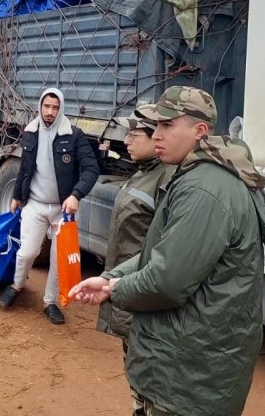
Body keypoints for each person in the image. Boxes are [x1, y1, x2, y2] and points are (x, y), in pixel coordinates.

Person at [70, 86, 265, 416]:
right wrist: (113, 278)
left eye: (167, 126)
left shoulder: (205, 189)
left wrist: (117, 289)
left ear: (199, 131)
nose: (157, 135)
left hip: (188, 378)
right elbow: (162, 252)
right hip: (185, 367)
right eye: (156, 126)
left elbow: (166, 281)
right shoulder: (198, 176)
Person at [94, 109, 177, 413]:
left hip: (143, 292)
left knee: (147, 366)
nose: (126, 140)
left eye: (133, 134)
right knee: (133, 361)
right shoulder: (144, 173)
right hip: (127, 286)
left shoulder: (166, 179)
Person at [0, 87, 99, 325]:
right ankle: (17, 284)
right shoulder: (30, 132)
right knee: (28, 252)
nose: (50, 111)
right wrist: (16, 195)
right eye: (47, 106)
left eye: (55, 107)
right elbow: (24, 166)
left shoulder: (73, 135)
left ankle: (50, 302)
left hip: (63, 211)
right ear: (40, 106)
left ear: (61, 108)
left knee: (57, 259)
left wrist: (76, 195)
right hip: (35, 203)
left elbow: (92, 169)